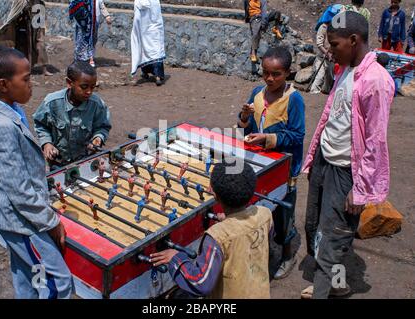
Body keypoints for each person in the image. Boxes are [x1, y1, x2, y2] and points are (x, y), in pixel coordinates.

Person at [302, 11, 395, 299]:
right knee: (314, 226)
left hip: (346, 172)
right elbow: (335, 116)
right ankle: (338, 284)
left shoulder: (376, 81)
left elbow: (375, 141)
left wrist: (361, 188)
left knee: (332, 239)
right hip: (325, 161)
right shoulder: (344, 69)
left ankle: (323, 289)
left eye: (334, 43)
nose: (329, 50)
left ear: (353, 40)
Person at [0, 45, 73, 298]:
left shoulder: (0, 110)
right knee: (56, 281)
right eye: (26, 79)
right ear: (4, 85)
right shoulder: (3, 126)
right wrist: (50, 221)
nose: (31, 85)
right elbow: (17, 188)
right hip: (21, 221)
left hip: (10, 214)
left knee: (26, 274)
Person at [151, 162, 272, 298]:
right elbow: (250, 236)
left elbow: (200, 283)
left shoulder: (216, 236)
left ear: (214, 194)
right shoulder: (265, 214)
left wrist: (176, 259)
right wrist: (230, 221)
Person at [238, 46, 305, 280]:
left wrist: (268, 138)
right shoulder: (257, 93)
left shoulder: (294, 100)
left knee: (283, 214)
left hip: (284, 170)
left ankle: (287, 255)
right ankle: (263, 252)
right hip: (259, 165)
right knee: (259, 211)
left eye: (276, 74)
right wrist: (245, 117)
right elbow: (244, 127)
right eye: (266, 72)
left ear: (287, 73)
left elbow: (297, 135)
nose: (269, 78)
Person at [33, 61, 112, 168]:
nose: (89, 92)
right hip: (58, 163)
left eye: (93, 87)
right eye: (84, 87)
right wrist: (47, 143)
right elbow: (41, 125)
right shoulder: (51, 103)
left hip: (86, 161)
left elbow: (103, 127)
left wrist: (98, 138)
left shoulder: (97, 104)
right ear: (69, 83)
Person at [0, 0, 52, 76]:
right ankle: (25, 68)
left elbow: (40, 15)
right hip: (23, 28)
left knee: (40, 45)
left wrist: (40, 28)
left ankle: (44, 69)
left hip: (36, 27)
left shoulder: (39, 2)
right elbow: (15, 14)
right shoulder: (21, 1)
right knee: (24, 49)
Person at [310, 4, 344, 94]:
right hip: (322, 56)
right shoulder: (323, 27)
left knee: (330, 77)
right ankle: (313, 93)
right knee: (319, 76)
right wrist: (326, 53)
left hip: (332, 57)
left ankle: (326, 92)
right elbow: (319, 43)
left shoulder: (337, 28)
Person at [131, 0, 166, 86]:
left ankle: (145, 73)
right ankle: (158, 76)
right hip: (156, 30)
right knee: (157, 52)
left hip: (145, 30)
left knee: (145, 52)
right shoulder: (155, 1)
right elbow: (158, 16)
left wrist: (136, 31)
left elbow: (137, 18)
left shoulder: (139, 2)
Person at [69, 0, 112, 67]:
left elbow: (101, 4)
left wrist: (107, 15)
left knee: (93, 39)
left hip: (94, 21)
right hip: (83, 20)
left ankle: (90, 57)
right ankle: (79, 59)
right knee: (81, 40)